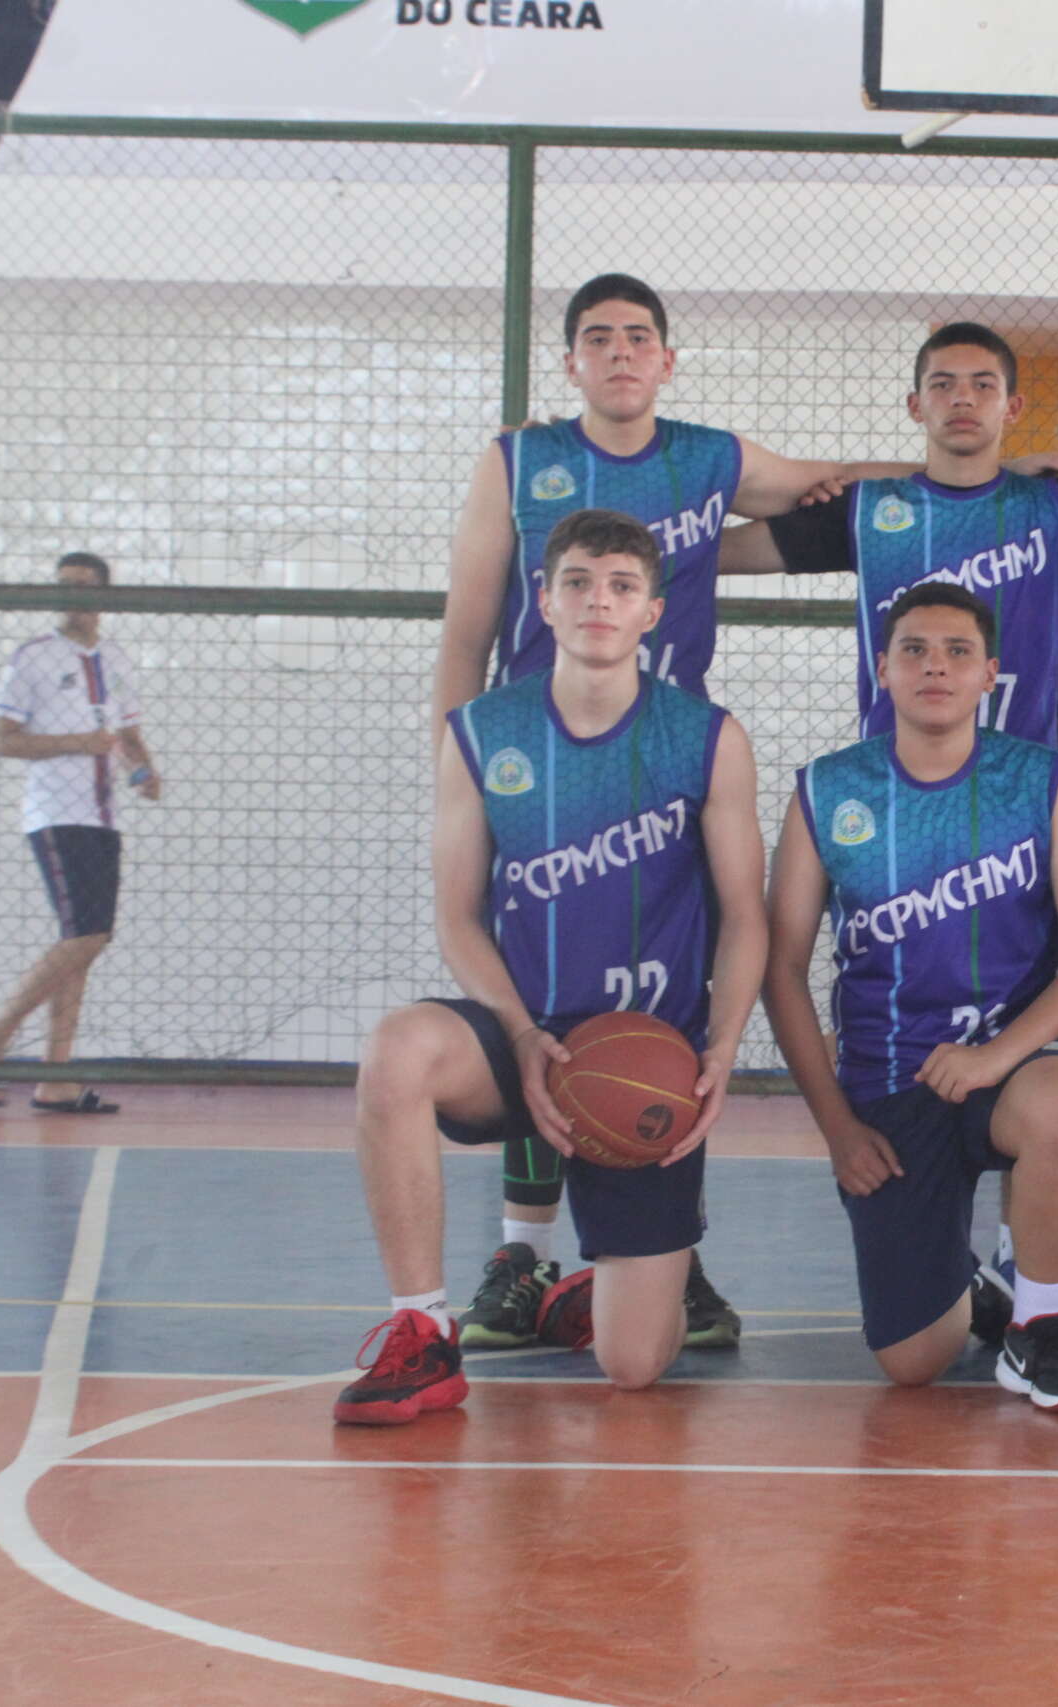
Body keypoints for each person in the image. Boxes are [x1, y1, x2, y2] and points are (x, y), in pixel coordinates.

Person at [431, 274, 864, 1354]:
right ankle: (523, 1256)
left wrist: (990, 474)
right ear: (571, 361)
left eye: (638, 337)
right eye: (599, 337)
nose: (620, 352)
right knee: (540, 990)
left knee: (658, 1011)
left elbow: (822, 483)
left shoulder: (709, 459)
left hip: (663, 755)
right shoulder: (519, 461)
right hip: (542, 765)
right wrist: (454, 757)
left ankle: (672, 1246)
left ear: (667, 360)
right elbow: (467, 628)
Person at [334, 510, 766, 1425]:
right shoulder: (481, 732)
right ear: (545, 600)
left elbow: (744, 917)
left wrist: (722, 1048)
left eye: (621, 586)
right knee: (397, 1049)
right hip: (519, 1034)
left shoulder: (707, 737)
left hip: (643, 1057)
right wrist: (522, 1030)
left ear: (653, 611)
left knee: (634, 1366)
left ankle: (583, 1295)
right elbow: (459, 916)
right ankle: (423, 1330)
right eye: (577, 582)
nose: (598, 601)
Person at [762, 582, 1058, 1412]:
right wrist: (837, 1127)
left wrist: (994, 1056)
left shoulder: (1039, 779)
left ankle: (1038, 1333)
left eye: (958, 651)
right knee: (914, 1360)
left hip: (1011, 1061)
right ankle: (970, 1285)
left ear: (990, 673)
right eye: (915, 650)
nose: (936, 666)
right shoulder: (829, 789)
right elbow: (781, 967)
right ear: (882, 669)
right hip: (889, 1078)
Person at [716, 320, 1058, 746]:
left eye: (983, 385)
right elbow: (719, 551)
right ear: (915, 406)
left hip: (1020, 770)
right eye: (943, 385)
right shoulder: (864, 510)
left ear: (1013, 407)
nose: (962, 399)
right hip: (891, 772)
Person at [0, 550, 159, 1115]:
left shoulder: (116, 658)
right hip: (56, 814)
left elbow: (128, 736)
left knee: (84, 944)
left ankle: (56, 1078)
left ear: (103, 595)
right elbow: (5, 740)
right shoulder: (34, 657)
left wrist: (144, 771)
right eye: (63, 585)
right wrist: (77, 743)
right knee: (87, 936)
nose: (70, 595)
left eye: (82, 585)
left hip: (102, 816)